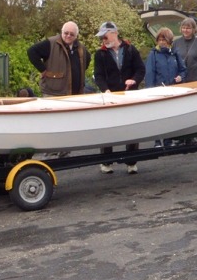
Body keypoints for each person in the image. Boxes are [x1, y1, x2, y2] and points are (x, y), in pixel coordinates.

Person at [93, 21, 146, 174]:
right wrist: (106, 90)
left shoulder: (130, 49)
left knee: (132, 128)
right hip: (110, 96)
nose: (103, 40)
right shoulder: (100, 54)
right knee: (108, 128)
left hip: (130, 95)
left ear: (114, 33)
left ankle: (131, 162)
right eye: (102, 38)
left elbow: (140, 69)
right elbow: (99, 76)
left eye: (105, 36)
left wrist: (134, 80)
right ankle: (106, 162)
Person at [145, 27, 187, 148]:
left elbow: (183, 70)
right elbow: (150, 74)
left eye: (164, 39)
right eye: (160, 39)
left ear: (170, 40)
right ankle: (157, 141)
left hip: (172, 90)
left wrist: (180, 77)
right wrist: (150, 91)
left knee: (170, 116)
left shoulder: (175, 53)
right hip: (158, 90)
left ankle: (168, 140)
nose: (162, 42)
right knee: (157, 117)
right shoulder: (153, 54)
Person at [26, 21, 91, 96]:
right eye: (66, 33)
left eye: (72, 34)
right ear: (61, 32)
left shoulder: (81, 48)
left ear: (76, 36)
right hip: (53, 93)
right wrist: (42, 69)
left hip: (76, 94)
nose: (68, 36)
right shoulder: (51, 43)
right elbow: (31, 52)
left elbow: (87, 60)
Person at [172, 17, 197, 82]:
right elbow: (173, 61)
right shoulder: (176, 43)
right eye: (183, 28)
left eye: (188, 28)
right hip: (181, 80)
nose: (185, 30)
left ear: (193, 29)